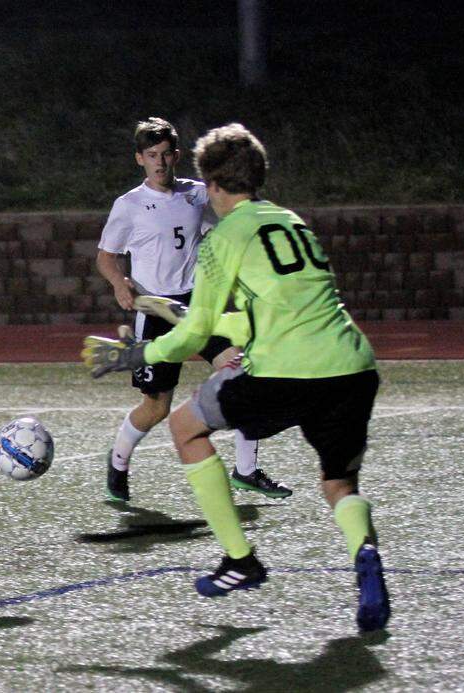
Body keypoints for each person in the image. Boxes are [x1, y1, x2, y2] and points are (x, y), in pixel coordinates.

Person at [82, 123, 389, 632]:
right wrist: (186, 321)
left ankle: (239, 559)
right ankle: (367, 552)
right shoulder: (292, 222)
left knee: (186, 427)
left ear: (216, 188)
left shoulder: (223, 238)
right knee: (338, 482)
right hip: (354, 367)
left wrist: (137, 355)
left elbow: (195, 333)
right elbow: (243, 319)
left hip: (288, 371)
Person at [96, 117, 290, 503]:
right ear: (140, 159)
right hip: (153, 309)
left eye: (167, 154)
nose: (161, 162)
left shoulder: (198, 195)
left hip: (200, 304)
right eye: (152, 155)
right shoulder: (129, 206)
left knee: (243, 375)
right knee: (156, 407)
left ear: (178, 155)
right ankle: (118, 464)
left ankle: (246, 471)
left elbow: (233, 223)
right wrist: (120, 282)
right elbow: (106, 257)